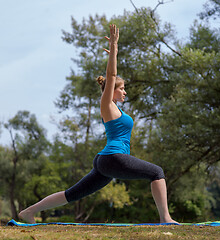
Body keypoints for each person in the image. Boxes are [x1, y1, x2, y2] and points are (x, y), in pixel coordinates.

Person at [19, 24, 177, 224]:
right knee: (157, 172)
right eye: (122, 89)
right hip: (113, 158)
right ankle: (166, 218)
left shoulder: (117, 110)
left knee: (73, 193)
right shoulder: (107, 105)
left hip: (106, 161)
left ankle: (30, 212)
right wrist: (114, 50)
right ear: (111, 91)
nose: (125, 92)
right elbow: (111, 76)